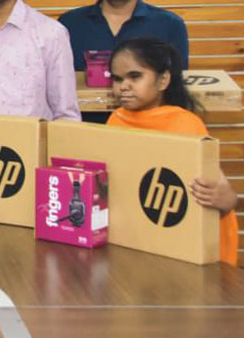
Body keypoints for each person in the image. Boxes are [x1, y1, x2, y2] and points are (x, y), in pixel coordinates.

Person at [101, 37, 238, 266]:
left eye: (135, 76)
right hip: (138, 241)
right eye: (117, 79)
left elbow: (216, 191)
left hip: (183, 237)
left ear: (163, 80)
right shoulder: (115, 120)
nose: (123, 86)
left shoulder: (186, 124)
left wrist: (227, 199)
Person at [59, 0, 191, 123]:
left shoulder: (169, 25)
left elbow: (176, 91)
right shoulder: (69, 24)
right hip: (85, 135)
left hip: (149, 135)